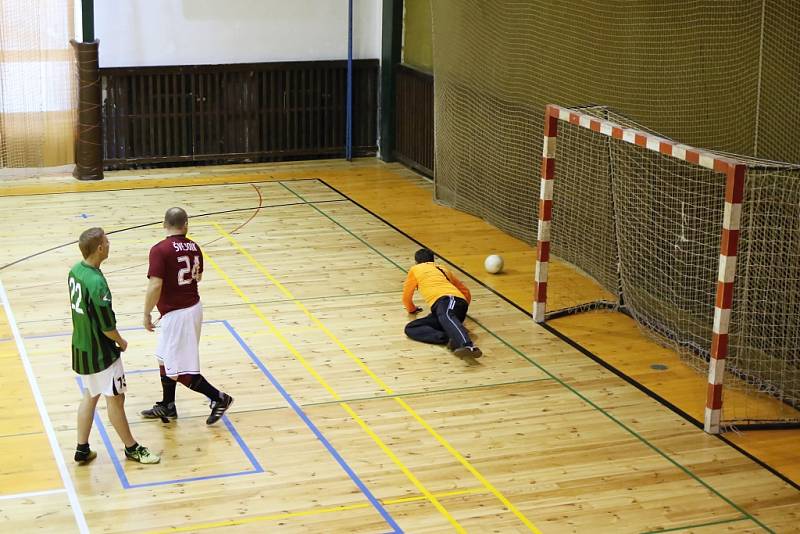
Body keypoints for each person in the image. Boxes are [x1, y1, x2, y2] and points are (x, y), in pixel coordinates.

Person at [69, 227, 160, 465]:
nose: (109, 244)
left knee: (90, 394)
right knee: (115, 398)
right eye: (107, 242)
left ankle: (82, 448)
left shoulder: (75, 271)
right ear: (99, 248)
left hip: (81, 346)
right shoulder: (97, 283)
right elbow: (106, 326)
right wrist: (120, 341)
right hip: (101, 352)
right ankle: (132, 448)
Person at [142, 207, 233, 424]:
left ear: (164, 224)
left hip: (179, 314)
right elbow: (198, 277)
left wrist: (146, 313)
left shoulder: (159, 249)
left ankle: (219, 398)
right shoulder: (195, 246)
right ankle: (168, 405)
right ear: (186, 225)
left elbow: (155, 284)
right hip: (189, 308)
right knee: (163, 358)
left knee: (180, 369)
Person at [402, 248, 482, 358]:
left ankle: (468, 346)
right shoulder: (444, 269)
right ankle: (449, 338)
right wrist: (461, 308)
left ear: (416, 262)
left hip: (448, 300)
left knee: (447, 315)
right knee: (411, 327)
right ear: (432, 260)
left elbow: (406, 296)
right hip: (450, 305)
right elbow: (465, 291)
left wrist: (412, 309)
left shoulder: (416, 269)